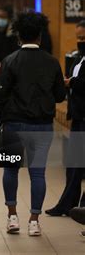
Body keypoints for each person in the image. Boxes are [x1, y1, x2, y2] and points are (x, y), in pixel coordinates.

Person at [0, 11, 66, 236]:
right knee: (38, 173)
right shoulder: (52, 62)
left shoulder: (10, 61)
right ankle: (34, 221)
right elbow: (60, 95)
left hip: (14, 123)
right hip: (42, 125)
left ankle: (12, 217)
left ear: (19, 37)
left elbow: (0, 94)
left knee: (11, 170)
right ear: (40, 36)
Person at [46, 20, 85, 216]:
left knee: (78, 163)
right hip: (79, 115)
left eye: (83, 37)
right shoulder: (80, 58)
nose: (80, 41)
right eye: (78, 37)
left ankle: (73, 205)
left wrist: (73, 82)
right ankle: (69, 204)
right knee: (74, 164)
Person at [0, 5, 17, 88]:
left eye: (2, 16)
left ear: (8, 17)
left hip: (8, 63)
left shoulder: (12, 30)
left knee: (7, 86)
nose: (0, 19)